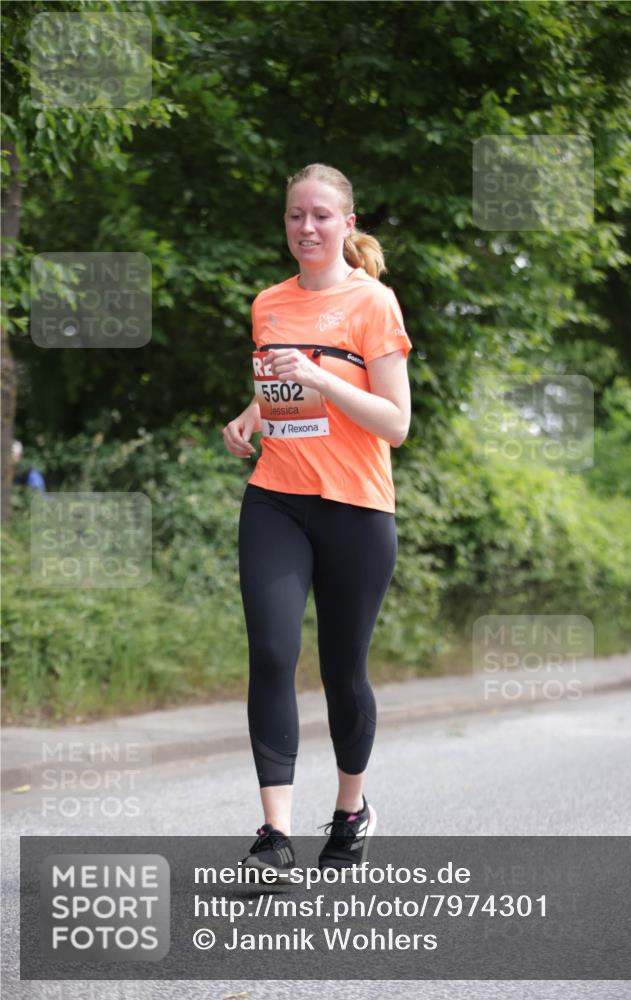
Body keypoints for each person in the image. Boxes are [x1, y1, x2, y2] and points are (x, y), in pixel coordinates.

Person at [222, 163, 412, 881]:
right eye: (296, 215)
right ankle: (274, 835)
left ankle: (350, 810)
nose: (307, 227)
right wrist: (248, 418)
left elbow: (394, 423)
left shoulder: (373, 304)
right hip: (276, 497)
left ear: (347, 225)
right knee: (271, 652)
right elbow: (280, 394)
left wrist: (325, 379)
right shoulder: (267, 303)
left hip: (356, 508)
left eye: (321, 216)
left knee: (342, 671)